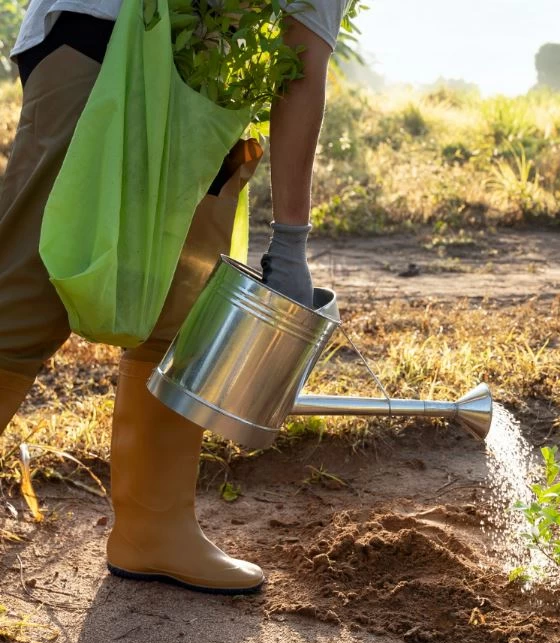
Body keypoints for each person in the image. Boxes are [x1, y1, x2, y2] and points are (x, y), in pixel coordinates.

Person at [0, 0, 349, 594]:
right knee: (25, 289)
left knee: (179, 300)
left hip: (208, 87)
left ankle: (154, 529)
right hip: (99, 43)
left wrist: (290, 243)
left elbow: (299, 56)